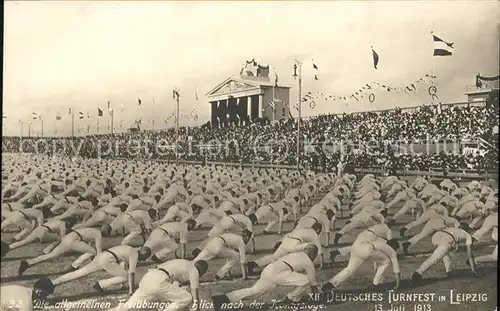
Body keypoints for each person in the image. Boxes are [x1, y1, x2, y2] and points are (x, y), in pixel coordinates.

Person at [212, 245, 319, 311]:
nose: (314, 257)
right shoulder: (308, 261)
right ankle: (291, 298)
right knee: (306, 280)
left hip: (270, 269)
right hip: (279, 272)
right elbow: (313, 284)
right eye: (315, 254)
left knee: (254, 292)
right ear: (312, 253)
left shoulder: (297, 253)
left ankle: (222, 299)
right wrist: (317, 298)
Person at [37, 245, 147, 297]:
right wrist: (131, 291)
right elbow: (131, 273)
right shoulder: (135, 254)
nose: (144, 259)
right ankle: (100, 284)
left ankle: (53, 282)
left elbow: (122, 265)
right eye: (145, 257)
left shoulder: (129, 248)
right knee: (125, 276)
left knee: (80, 272)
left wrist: (123, 284)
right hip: (107, 259)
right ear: (142, 252)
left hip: (101, 256)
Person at [106, 260, 208, 311]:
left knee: (128, 306)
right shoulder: (194, 270)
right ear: (202, 270)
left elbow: (174, 280)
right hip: (159, 282)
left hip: (148, 278)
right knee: (186, 297)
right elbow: (195, 293)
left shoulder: (183, 262)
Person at [322, 231, 401, 291]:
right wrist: (398, 285)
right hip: (367, 250)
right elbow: (396, 269)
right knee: (386, 261)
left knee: (349, 269)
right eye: (395, 248)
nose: (395, 250)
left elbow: (377, 259)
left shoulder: (380, 240)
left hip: (356, 248)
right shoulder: (391, 250)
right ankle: (376, 285)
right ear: (392, 246)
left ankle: (331, 284)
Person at [411, 227, 478, 283]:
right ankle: (417, 273)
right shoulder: (468, 235)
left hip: (436, 236)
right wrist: (474, 270)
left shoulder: (456, 229)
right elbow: (470, 256)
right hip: (446, 239)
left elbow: (456, 238)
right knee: (435, 258)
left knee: (446, 251)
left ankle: (449, 271)